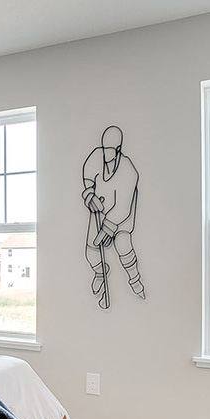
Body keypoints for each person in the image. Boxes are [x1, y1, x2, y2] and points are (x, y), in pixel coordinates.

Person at [82, 126, 145, 309]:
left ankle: (135, 280)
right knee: (90, 250)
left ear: (118, 149)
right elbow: (87, 177)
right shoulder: (96, 155)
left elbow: (123, 208)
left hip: (123, 216)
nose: (105, 155)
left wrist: (108, 229)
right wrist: (90, 195)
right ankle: (101, 272)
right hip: (100, 210)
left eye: (110, 151)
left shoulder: (129, 171)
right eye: (104, 150)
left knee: (122, 244)